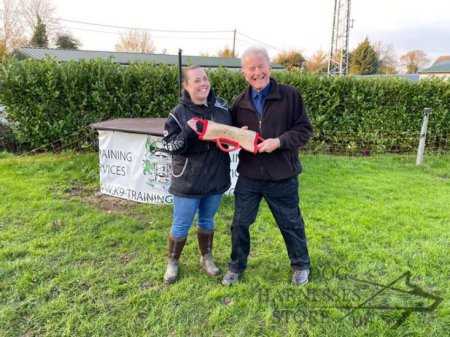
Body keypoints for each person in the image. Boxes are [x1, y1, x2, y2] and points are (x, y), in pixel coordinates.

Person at [222, 46, 313, 286]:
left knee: (290, 222)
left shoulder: (290, 95)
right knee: (240, 223)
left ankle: (301, 265)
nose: (257, 72)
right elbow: (230, 136)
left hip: (282, 174)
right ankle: (236, 267)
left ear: (270, 68)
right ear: (244, 73)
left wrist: (279, 142)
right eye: (251, 68)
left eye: (261, 66)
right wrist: (236, 135)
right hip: (250, 175)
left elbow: (304, 130)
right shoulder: (239, 103)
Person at [162, 65, 231, 284]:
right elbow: (172, 146)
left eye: (205, 79)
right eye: (197, 81)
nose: (203, 84)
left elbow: (232, 133)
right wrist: (188, 131)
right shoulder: (178, 113)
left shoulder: (222, 107)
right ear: (186, 86)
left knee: (207, 220)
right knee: (181, 223)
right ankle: (173, 262)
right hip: (188, 179)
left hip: (216, 176)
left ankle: (206, 258)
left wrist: (239, 133)